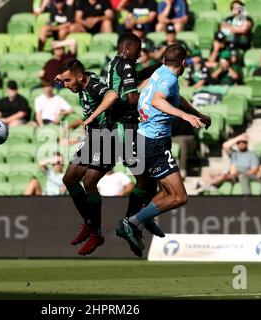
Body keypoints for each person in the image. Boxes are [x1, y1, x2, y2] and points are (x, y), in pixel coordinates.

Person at [115, 44, 211, 256]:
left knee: (167, 192)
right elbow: (158, 100)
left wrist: (198, 113)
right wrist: (185, 116)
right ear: (184, 63)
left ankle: (140, 219)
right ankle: (133, 222)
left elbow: (171, 98)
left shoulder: (161, 72)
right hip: (153, 144)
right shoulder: (169, 79)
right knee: (179, 197)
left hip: (147, 140)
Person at [90, 34, 165, 253]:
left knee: (148, 178)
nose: (140, 54)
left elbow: (131, 80)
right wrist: (154, 100)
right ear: (128, 47)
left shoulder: (115, 64)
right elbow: (132, 98)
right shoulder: (126, 65)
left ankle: (140, 217)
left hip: (118, 128)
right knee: (143, 178)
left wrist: (156, 67)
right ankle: (130, 222)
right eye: (138, 49)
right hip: (125, 128)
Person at [54, 59, 119, 256]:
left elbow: (112, 95)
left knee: (90, 181)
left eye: (67, 81)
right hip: (93, 137)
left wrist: (92, 116)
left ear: (80, 77)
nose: (65, 85)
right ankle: (90, 225)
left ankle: (96, 233)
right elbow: (77, 71)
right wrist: (61, 76)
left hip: (109, 136)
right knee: (69, 179)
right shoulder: (82, 78)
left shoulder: (93, 86)